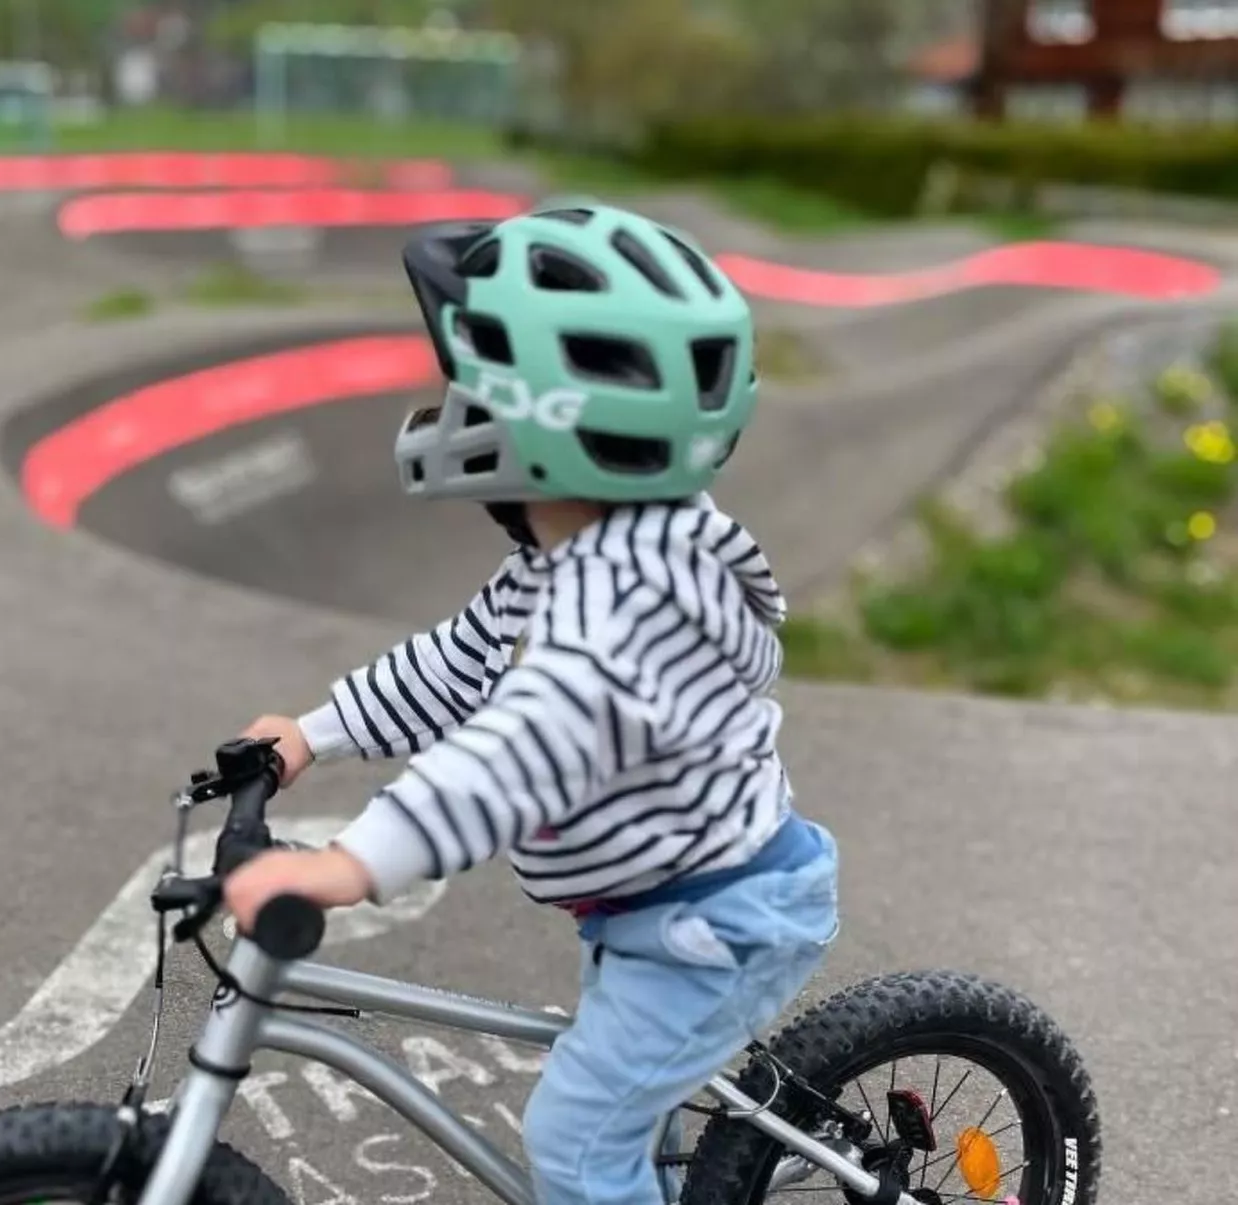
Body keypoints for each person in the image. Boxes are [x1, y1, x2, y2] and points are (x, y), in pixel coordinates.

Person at [222, 199, 840, 1205]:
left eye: (471, 393)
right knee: (624, 1107)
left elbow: (513, 757)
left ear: (552, 427)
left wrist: (349, 863)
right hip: (656, 903)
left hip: (717, 923)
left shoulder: (628, 606)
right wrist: (313, 734)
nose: (451, 413)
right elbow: (456, 665)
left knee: (576, 1140)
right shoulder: (566, 562)